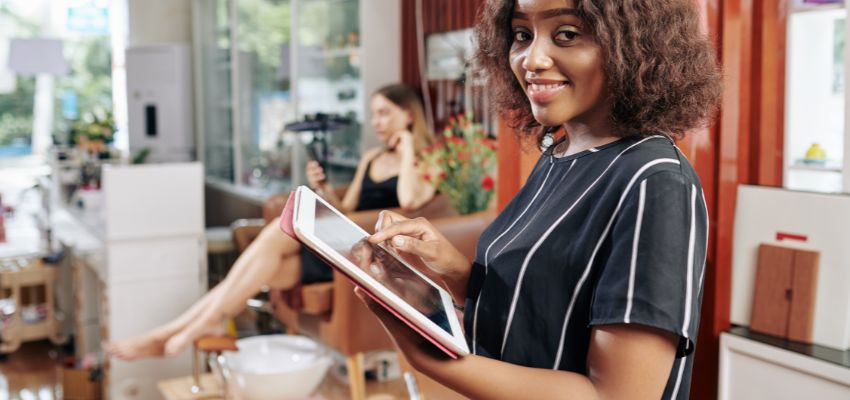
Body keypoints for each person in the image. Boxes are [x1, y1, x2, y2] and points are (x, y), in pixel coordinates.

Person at [362, 1, 722, 399]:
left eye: (567, 34)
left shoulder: (655, 181)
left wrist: (429, 356)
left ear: (635, 44)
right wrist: (451, 271)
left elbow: (615, 395)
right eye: (522, 35)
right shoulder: (559, 153)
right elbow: (540, 314)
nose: (532, 60)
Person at [105, 83, 437, 360]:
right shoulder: (372, 157)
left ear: (408, 114)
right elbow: (347, 208)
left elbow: (409, 200)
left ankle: (182, 330)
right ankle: (180, 329)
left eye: (384, 113)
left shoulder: (429, 159)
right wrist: (323, 187)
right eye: (374, 113)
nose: (376, 122)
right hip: (346, 243)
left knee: (275, 233)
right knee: (253, 274)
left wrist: (408, 147)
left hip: (370, 255)